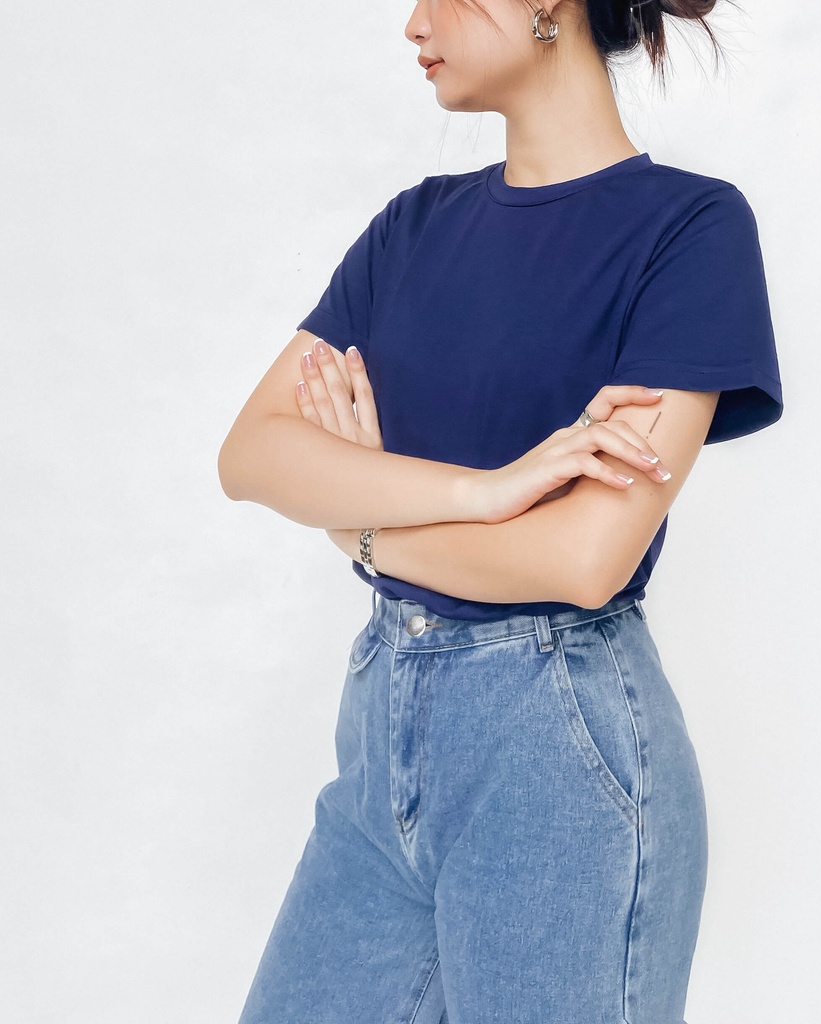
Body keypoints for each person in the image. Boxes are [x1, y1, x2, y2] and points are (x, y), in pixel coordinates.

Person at [217, 0, 783, 1020]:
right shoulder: (412, 229)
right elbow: (252, 455)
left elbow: (584, 560)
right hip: (378, 746)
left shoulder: (690, 231)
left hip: (561, 762)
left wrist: (361, 524)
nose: (412, 23)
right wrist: (483, 493)